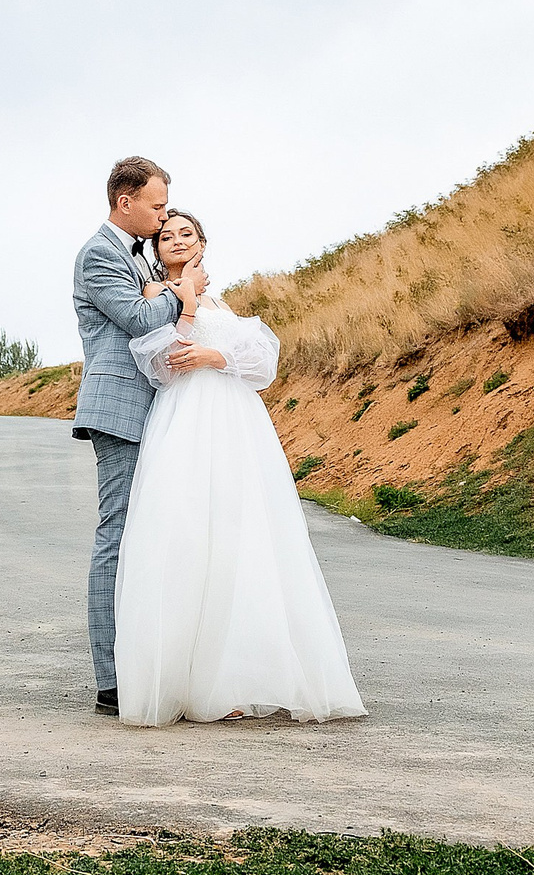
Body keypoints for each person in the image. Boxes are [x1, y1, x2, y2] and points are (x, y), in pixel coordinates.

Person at [113, 210, 365, 725]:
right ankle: (192, 684)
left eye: (187, 233)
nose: (177, 240)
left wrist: (217, 356)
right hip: (187, 422)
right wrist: (183, 305)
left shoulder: (221, 302)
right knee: (188, 535)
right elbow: (161, 362)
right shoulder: (153, 297)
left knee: (240, 535)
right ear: (156, 250)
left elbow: (261, 367)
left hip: (237, 423)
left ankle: (237, 675)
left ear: (203, 243)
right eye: (167, 236)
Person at [69, 156, 191, 717]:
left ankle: (147, 659)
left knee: (149, 534)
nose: (163, 214)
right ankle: (111, 679)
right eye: (157, 204)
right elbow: (142, 322)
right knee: (116, 534)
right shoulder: (99, 253)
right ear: (126, 202)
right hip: (118, 408)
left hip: (152, 408)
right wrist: (184, 289)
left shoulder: (134, 255)